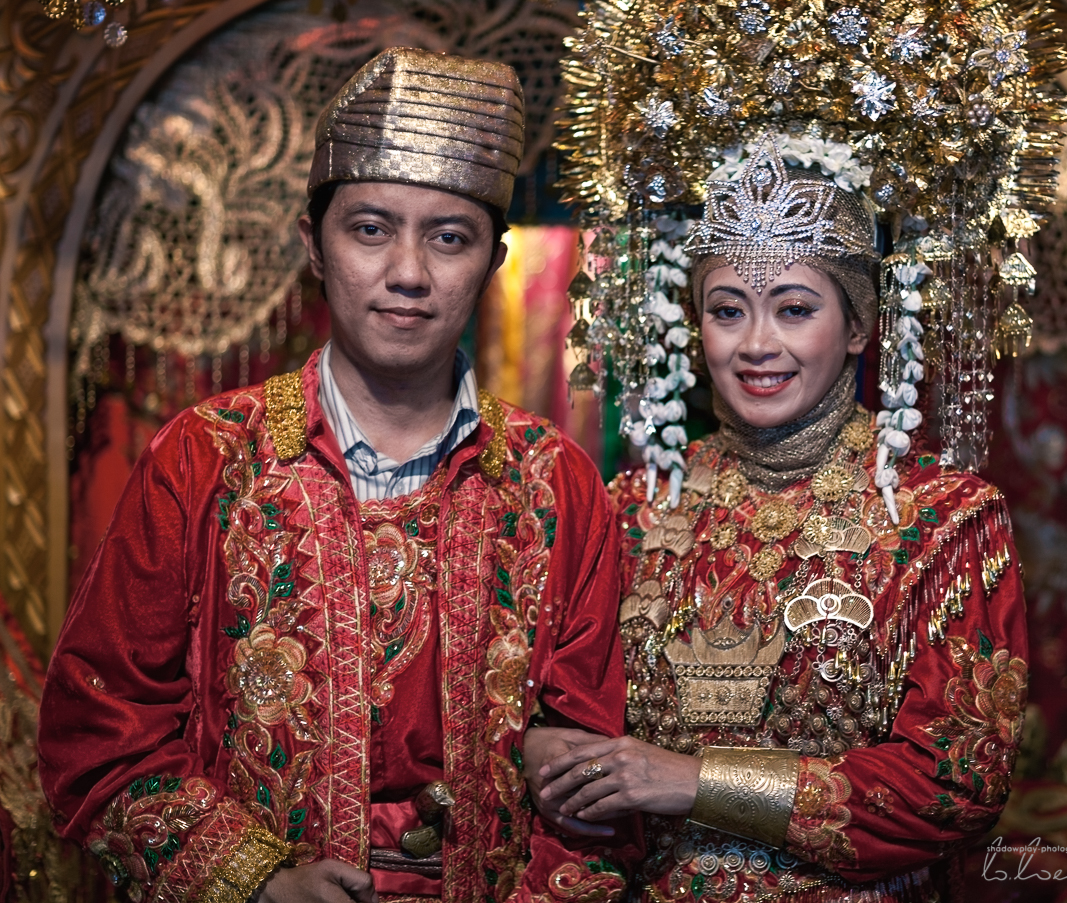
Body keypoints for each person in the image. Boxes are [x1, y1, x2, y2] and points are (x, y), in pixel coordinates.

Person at [38, 47, 633, 903]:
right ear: (312, 246)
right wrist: (258, 882)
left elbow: (596, 787)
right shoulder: (206, 458)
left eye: (449, 237)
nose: (408, 272)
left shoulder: (556, 485)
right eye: (370, 228)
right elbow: (98, 730)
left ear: (494, 262)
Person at [525, 137, 1029, 901]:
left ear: (858, 328)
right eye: (729, 310)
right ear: (697, 327)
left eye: (794, 309)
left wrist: (692, 781)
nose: (757, 344)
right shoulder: (631, 509)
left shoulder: (943, 520)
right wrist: (540, 750)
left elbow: (955, 781)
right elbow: (559, 715)